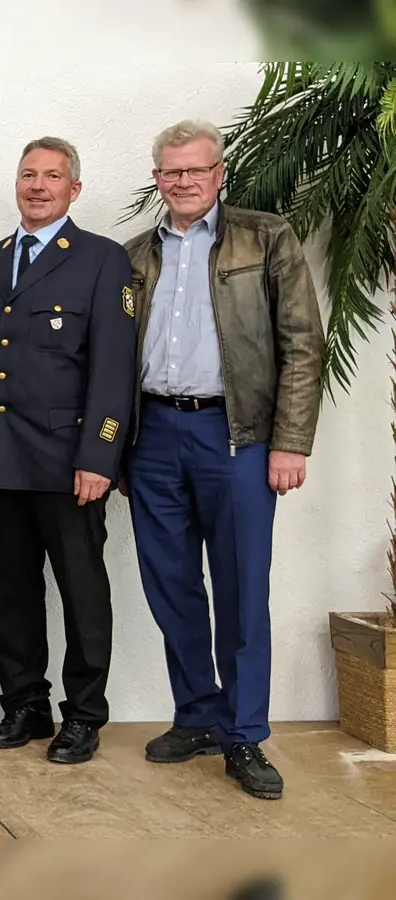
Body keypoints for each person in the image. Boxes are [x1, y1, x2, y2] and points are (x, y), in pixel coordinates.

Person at [123, 119, 324, 800]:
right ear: (158, 179)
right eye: (171, 171)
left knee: (241, 586)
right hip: (153, 436)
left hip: (236, 436)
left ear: (219, 173)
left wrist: (290, 440)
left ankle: (244, 735)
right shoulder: (134, 256)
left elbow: (303, 342)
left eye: (196, 169)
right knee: (170, 584)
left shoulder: (265, 238)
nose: (183, 181)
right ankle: (197, 715)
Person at [0, 138, 137, 764]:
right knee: (9, 594)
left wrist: (100, 456)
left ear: (74, 189)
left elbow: (114, 367)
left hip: (69, 462)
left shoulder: (102, 259)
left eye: (53, 176)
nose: (38, 186)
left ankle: (84, 715)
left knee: (82, 593)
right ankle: (26, 705)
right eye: (28, 175)